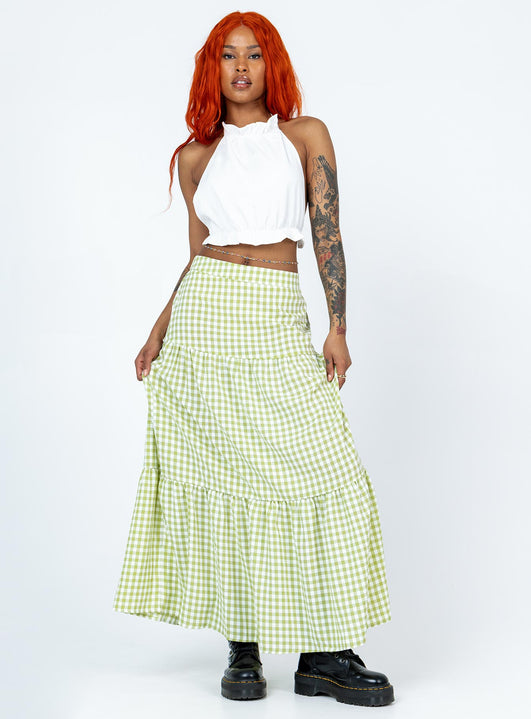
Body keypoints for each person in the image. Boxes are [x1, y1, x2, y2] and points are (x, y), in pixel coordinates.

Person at [112, 10, 395, 708]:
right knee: (228, 478)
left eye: (254, 55)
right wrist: (158, 329)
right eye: (227, 55)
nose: (241, 67)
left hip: (275, 314)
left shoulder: (304, 136)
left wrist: (337, 326)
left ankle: (324, 653)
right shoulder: (194, 157)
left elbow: (327, 234)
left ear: (273, 66)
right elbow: (195, 256)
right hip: (206, 317)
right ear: (212, 69)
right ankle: (242, 647)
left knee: (326, 468)